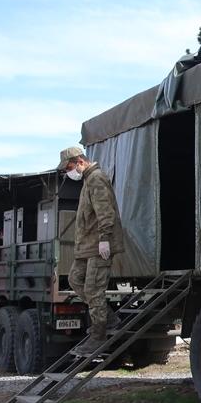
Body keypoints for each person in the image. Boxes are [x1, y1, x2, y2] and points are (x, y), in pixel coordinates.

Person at [59, 145, 125, 357]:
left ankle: (98, 336)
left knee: (94, 290)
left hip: (98, 246)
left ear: (79, 161)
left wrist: (105, 239)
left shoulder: (96, 178)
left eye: (68, 167)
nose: (68, 172)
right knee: (75, 280)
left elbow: (106, 211)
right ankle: (111, 320)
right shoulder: (88, 180)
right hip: (86, 247)